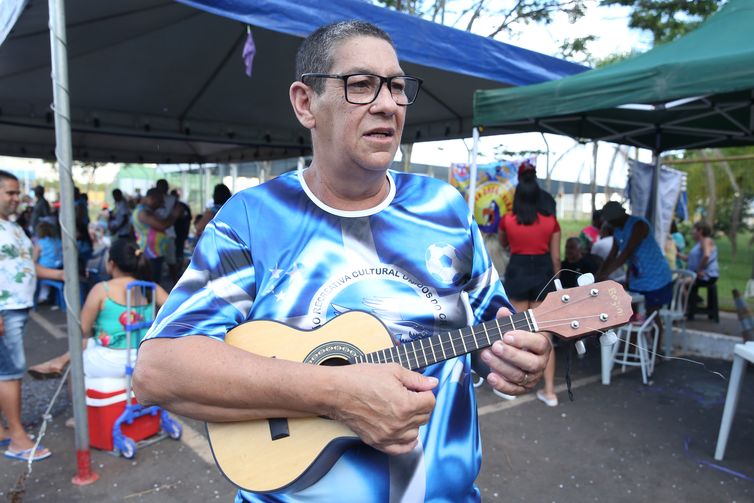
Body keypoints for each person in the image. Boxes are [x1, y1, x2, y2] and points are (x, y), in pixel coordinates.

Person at [133, 21, 550, 503]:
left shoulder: (446, 207)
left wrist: (515, 360)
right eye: (361, 84)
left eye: (397, 86)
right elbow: (158, 371)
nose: (388, 103)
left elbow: (488, 332)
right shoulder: (252, 218)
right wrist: (334, 391)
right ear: (305, 103)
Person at [28, 239, 168, 380]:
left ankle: (76, 396)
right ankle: (58, 362)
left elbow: (83, 329)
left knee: (79, 362)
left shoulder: (102, 289)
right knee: (90, 343)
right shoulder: (152, 288)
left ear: (111, 264)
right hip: (144, 357)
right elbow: (177, 313)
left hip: (110, 360)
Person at [497, 161, 560, 407]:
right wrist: (556, 283)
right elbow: (556, 257)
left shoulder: (507, 221)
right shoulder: (551, 221)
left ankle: (512, 388)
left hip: (518, 271)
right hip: (544, 272)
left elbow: (503, 245)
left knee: (516, 333)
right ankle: (551, 391)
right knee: (545, 335)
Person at [0, 170, 52, 462]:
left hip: (18, 306)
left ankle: (4, 430)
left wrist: (60, 273)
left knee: (5, 370)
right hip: (5, 309)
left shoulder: (14, 227)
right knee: (10, 372)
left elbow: (26, 267)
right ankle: (18, 438)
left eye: (17, 193)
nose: (16, 199)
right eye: (10, 193)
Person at [597, 201, 672, 331]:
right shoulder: (617, 229)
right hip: (638, 278)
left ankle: (655, 350)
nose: (610, 225)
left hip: (655, 276)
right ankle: (633, 348)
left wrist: (606, 274)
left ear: (619, 216)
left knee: (652, 315)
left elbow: (626, 252)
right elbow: (611, 256)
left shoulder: (638, 225)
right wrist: (598, 275)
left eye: (612, 222)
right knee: (632, 315)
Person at [132, 188, 182, 285]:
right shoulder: (143, 213)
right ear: (151, 198)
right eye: (160, 202)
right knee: (151, 285)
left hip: (152, 253)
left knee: (152, 283)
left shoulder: (144, 211)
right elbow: (162, 225)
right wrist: (174, 214)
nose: (162, 205)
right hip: (150, 254)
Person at [685, 221, 720, 320]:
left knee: (680, 283)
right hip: (699, 274)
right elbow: (690, 258)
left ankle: (694, 303)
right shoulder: (699, 243)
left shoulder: (706, 240)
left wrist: (698, 269)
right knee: (680, 283)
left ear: (700, 231)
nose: (692, 232)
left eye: (694, 229)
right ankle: (692, 304)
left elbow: (706, 255)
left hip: (706, 275)